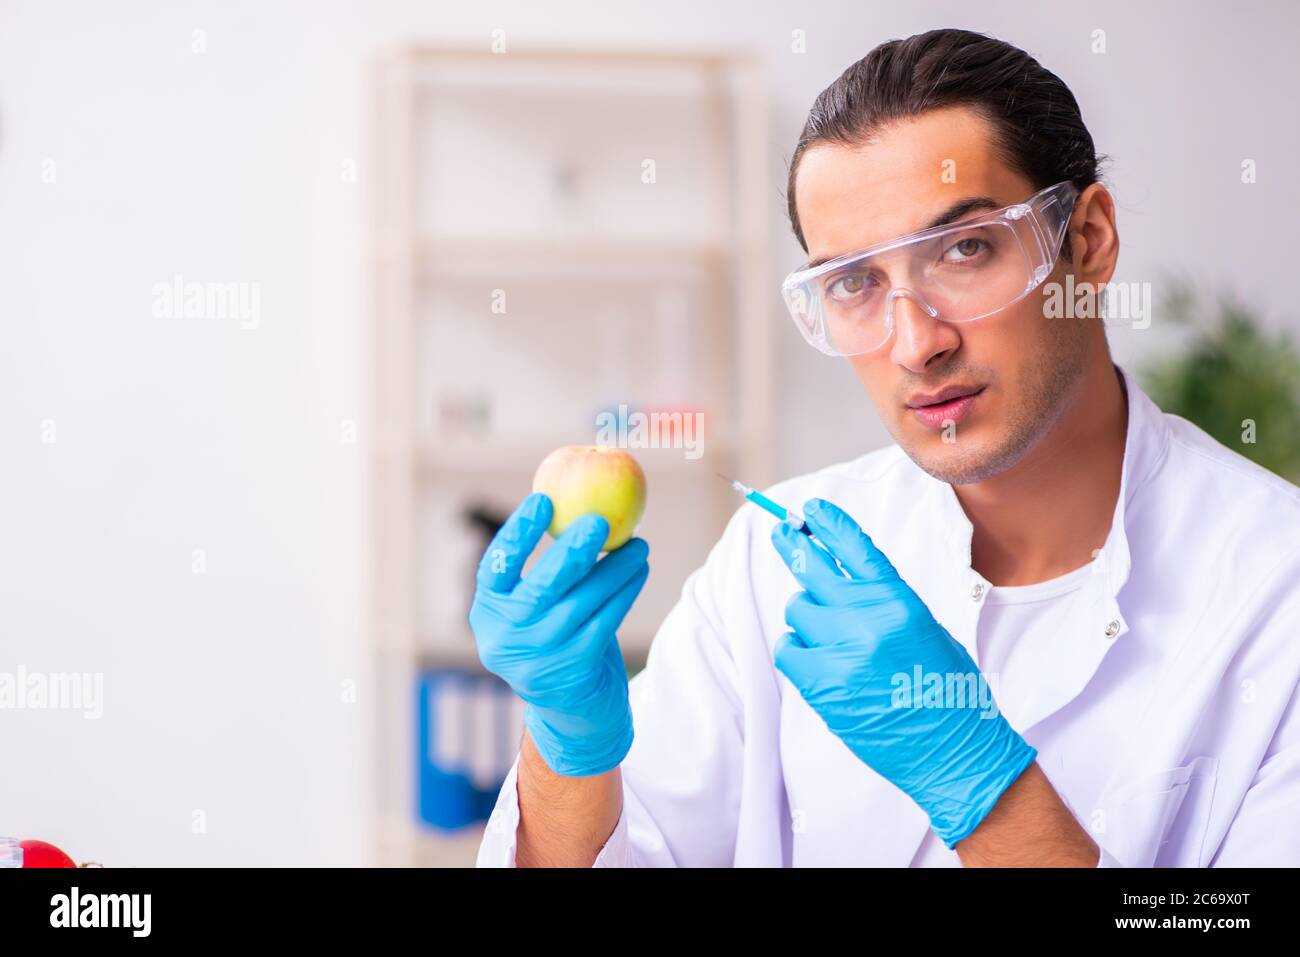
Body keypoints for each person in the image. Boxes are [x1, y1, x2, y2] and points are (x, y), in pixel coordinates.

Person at [471, 28, 1300, 867]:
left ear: (1085, 243)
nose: (914, 343)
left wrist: (981, 783)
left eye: (965, 248)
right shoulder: (776, 556)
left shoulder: (1276, 592)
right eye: (853, 282)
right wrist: (569, 751)